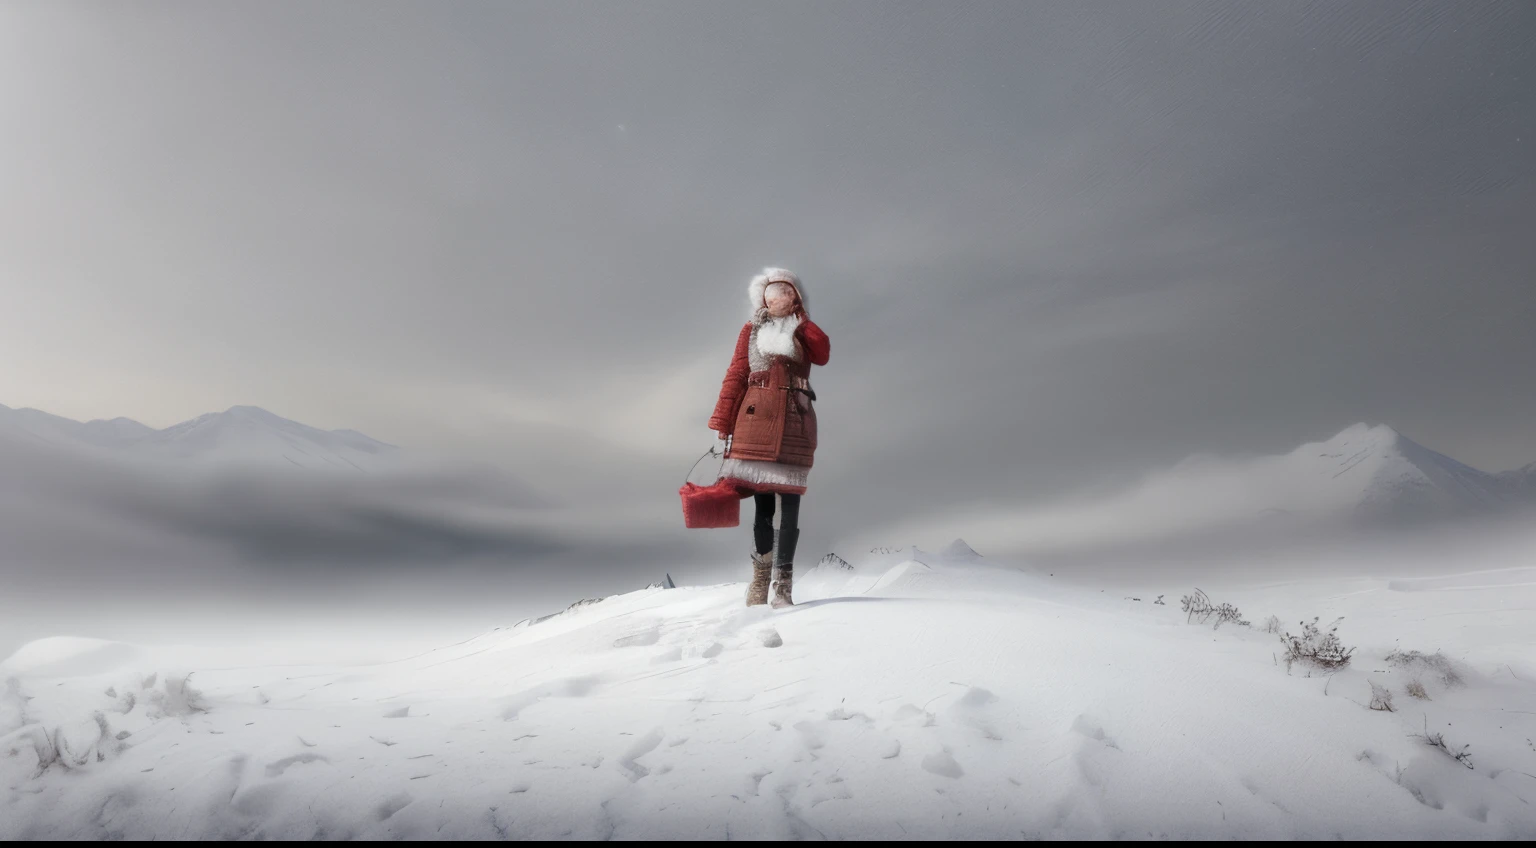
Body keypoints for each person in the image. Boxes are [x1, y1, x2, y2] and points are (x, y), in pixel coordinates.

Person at [708, 268, 831, 608]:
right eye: (771, 293)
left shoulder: (803, 331)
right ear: (762, 298)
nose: (777, 298)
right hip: (754, 418)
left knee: (790, 502)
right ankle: (761, 579)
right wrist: (723, 423)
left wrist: (804, 321)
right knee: (762, 505)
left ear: (796, 297)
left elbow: (822, 354)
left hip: (795, 418)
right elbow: (736, 373)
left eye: (785, 292)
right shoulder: (750, 330)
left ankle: (783, 584)